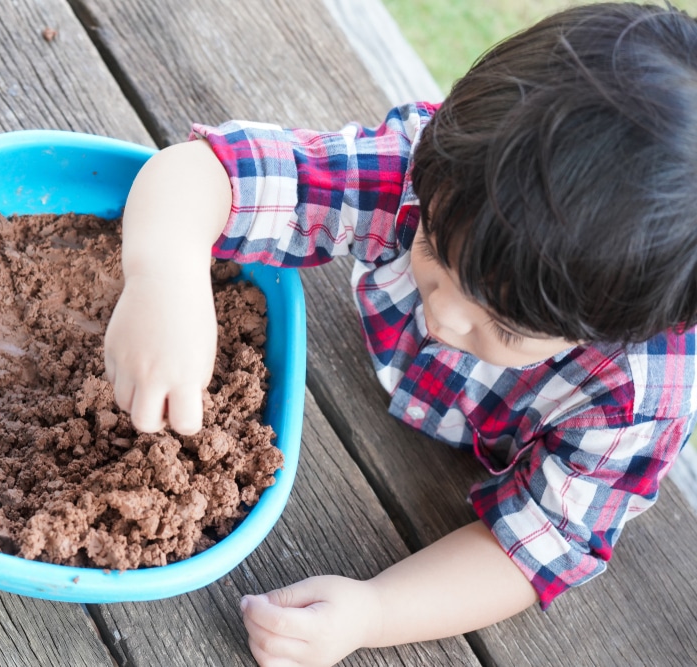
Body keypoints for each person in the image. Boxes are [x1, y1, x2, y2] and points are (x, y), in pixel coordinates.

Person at [103, 2, 697, 665]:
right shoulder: (440, 173)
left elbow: (536, 542)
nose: (442, 316)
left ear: (611, 331)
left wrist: (375, 610)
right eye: (436, 253)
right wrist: (165, 272)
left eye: (503, 325)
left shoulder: (635, 399)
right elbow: (207, 172)